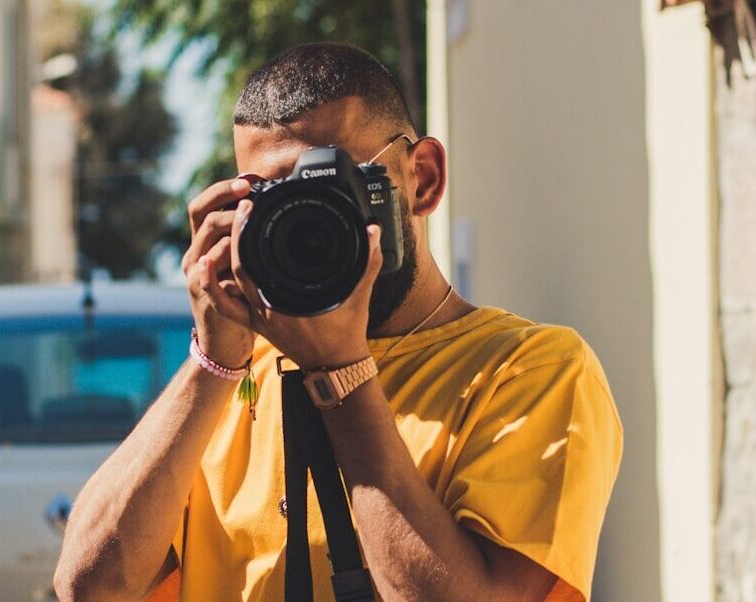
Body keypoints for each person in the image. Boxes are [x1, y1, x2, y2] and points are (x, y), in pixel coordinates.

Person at [54, 42, 623, 602]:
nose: (309, 223)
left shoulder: (530, 371)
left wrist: (342, 374)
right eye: (276, 198)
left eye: (333, 186)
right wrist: (212, 360)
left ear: (421, 178)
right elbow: (89, 587)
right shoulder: (231, 379)